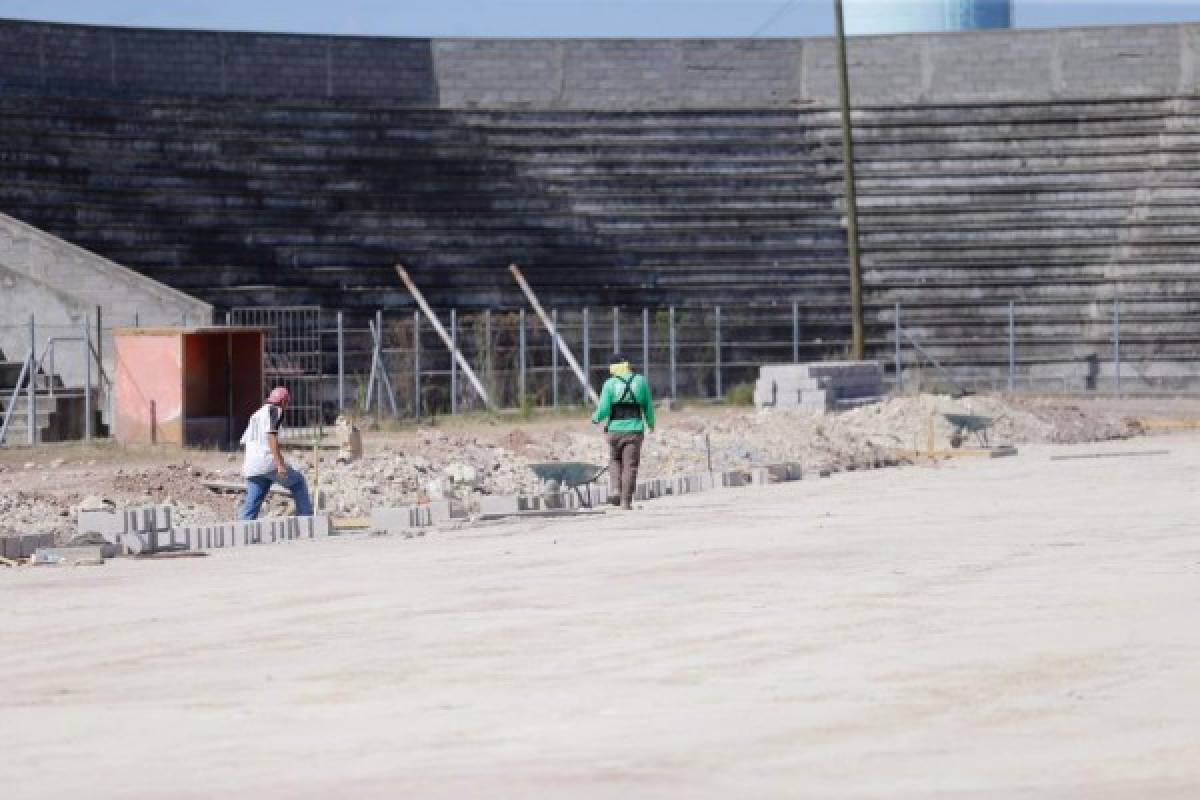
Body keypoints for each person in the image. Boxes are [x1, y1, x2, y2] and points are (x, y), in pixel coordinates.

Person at [591, 353, 656, 510]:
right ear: (627, 365)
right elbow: (648, 406)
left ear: (612, 367)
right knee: (630, 466)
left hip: (614, 430)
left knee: (614, 460)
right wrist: (651, 423)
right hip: (634, 430)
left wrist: (596, 418)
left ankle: (615, 489)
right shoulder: (640, 381)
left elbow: (604, 409)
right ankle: (625, 502)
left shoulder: (610, 383)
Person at [238, 386, 314, 520]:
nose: (286, 407)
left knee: (252, 505)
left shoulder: (256, 415)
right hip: (267, 463)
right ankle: (306, 520)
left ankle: (241, 531)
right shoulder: (275, 410)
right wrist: (280, 464)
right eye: (287, 404)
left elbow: (246, 441)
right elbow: (271, 436)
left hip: (251, 466)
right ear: (284, 402)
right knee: (298, 482)